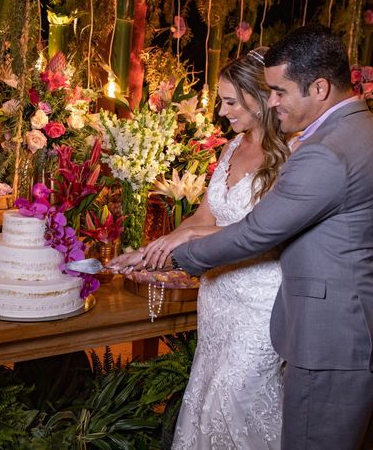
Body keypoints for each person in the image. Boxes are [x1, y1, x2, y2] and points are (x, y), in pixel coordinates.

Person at [162, 25, 373, 449]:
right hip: (337, 324)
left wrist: (176, 259)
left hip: (328, 335)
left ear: (319, 87)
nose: (272, 100)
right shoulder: (359, 130)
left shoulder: (325, 152)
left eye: (280, 91)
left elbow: (257, 232)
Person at [111, 47, 292, 448]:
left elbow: (261, 234)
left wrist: (189, 239)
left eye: (230, 102)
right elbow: (204, 218)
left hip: (260, 301)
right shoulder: (231, 148)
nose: (222, 111)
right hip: (218, 294)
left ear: (260, 98)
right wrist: (154, 248)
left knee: (239, 399)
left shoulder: (290, 156)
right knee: (209, 398)